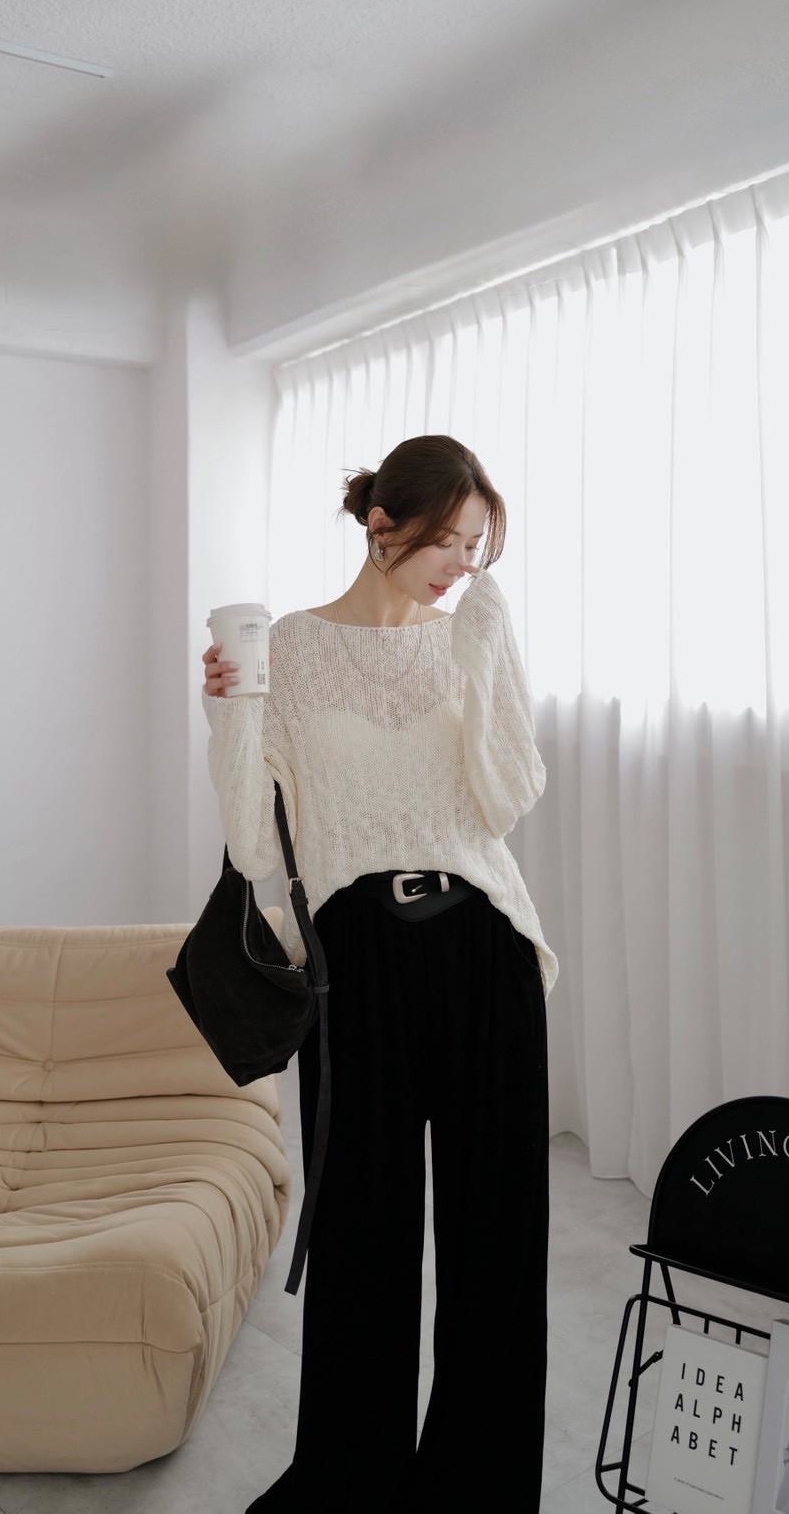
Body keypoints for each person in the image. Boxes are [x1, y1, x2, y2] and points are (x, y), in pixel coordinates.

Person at [201, 434, 558, 1513]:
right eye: (447, 541)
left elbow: (506, 797)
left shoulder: (468, 636)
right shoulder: (293, 648)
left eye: (477, 546)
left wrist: (489, 651)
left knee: (498, 1241)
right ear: (381, 525)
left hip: (486, 948)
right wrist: (231, 713)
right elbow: (256, 844)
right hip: (357, 963)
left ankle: (477, 1490)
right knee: (363, 1232)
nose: (462, 565)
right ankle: (351, 1482)